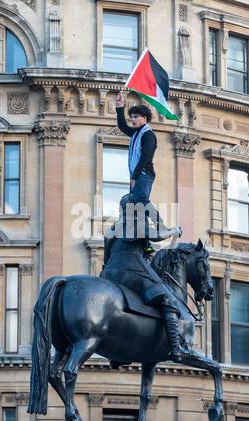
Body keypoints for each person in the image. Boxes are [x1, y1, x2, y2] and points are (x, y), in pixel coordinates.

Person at [100, 193, 184, 361]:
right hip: (131, 268)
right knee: (168, 299)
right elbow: (158, 235)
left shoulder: (112, 229)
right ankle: (176, 348)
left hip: (109, 274)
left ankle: (117, 355)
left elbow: (107, 256)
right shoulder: (136, 223)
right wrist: (174, 230)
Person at [115, 92, 171, 238]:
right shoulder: (135, 134)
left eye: (136, 117)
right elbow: (122, 125)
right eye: (131, 117)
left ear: (144, 118)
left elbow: (146, 156)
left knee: (141, 200)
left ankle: (161, 226)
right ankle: (144, 241)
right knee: (136, 206)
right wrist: (120, 107)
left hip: (144, 174)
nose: (132, 120)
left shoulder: (148, 135)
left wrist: (134, 176)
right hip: (138, 174)